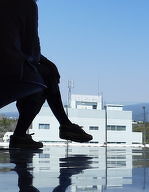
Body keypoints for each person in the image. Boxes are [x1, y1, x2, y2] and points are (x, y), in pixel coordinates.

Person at [0, 0, 92, 149]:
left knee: (41, 73)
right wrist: (49, 65)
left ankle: (64, 125)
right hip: (6, 74)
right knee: (46, 76)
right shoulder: (25, 4)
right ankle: (23, 135)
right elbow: (32, 51)